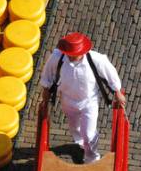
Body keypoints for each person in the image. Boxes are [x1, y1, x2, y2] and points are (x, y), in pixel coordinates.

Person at [38, 32, 126, 164]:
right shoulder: (57, 58)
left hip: (89, 102)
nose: (72, 57)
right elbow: (47, 74)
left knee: (89, 134)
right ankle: (80, 143)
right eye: (70, 54)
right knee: (75, 127)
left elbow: (110, 74)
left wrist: (117, 92)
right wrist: (45, 92)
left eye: (75, 55)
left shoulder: (97, 59)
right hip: (67, 100)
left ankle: (92, 157)